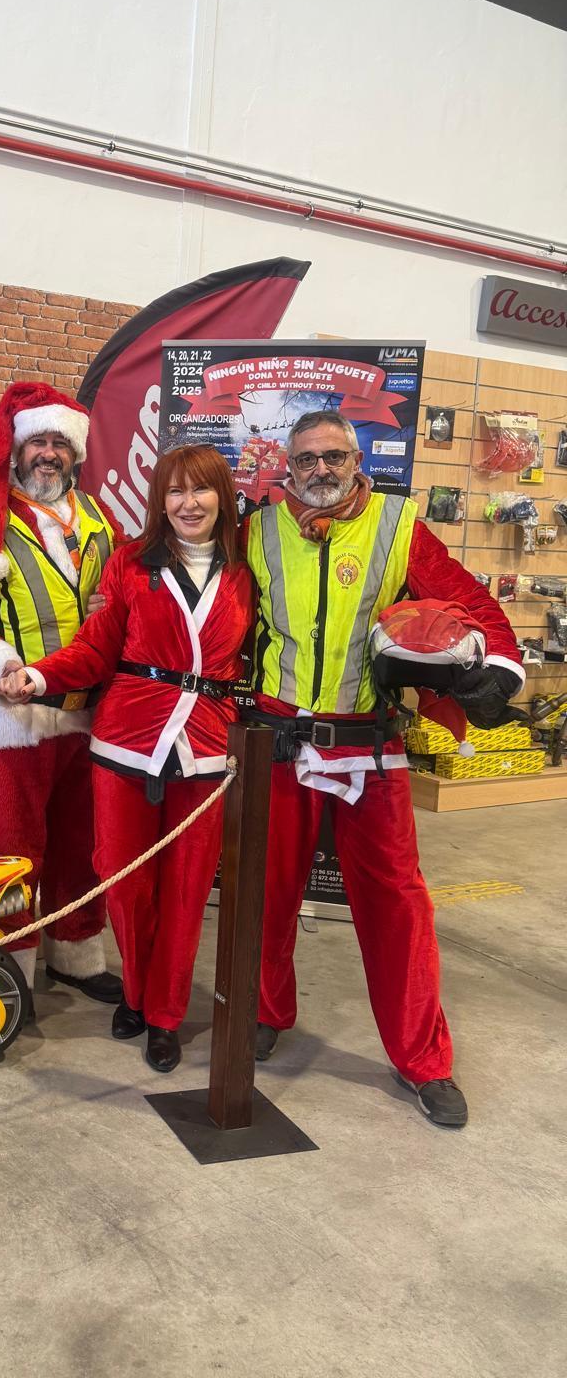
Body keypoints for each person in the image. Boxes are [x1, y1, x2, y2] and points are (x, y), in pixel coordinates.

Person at [245, 409, 522, 1127]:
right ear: (289, 467)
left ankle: (423, 1061)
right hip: (280, 740)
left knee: (397, 905)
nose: (321, 471)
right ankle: (266, 1013)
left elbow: (474, 603)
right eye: (306, 460)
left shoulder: (400, 526)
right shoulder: (257, 529)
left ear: (357, 457)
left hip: (371, 743)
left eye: (334, 456)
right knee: (267, 894)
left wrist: (499, 673)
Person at [0, 446, 255, 1071]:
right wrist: (36, 675)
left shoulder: (248, 573)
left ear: (222, 497)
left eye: (200, 491)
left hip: (206, 747)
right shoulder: (130, 564)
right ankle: (137, 994)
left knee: (188, 888)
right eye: (174, 492)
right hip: (124, 742)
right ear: (158, 501)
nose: (186, 504)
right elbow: (95, 648)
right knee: (123, 877)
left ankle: (164, 1015)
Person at [0, 382, 122, 1004]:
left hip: (87, 713)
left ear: (75, 454)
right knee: (9, 851)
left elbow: (120, 603)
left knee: (80, 842)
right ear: (14, 450)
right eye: (36, 441)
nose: (48, 454)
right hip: (9, 715)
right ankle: (7, 963)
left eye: (59, 444)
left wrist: (110, 604)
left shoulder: (103, 523)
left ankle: (76, 950)